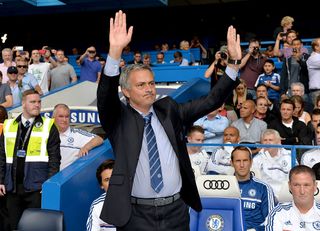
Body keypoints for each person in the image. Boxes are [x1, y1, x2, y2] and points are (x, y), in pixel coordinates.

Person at [97, 10, 241, 230]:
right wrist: (115, 53)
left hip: (176, 211)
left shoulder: (169, 110)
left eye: (151, 83)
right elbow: (106, 96)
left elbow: (211, 100)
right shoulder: (118, 118)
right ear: (126, 91)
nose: (149, 89)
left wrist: (232, 64)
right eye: (141, 85)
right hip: (135, 215)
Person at [0, 90, 61, 230]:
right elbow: (2, 155)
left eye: (39, 102)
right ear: (23, 104)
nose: (37, 105)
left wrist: (49, 184)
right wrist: (1, 180)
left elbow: (54, 158)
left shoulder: (49, 125)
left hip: (36, 188)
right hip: (12, 187)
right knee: (13, 226)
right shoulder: (9, 125)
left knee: (35, 227)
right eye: (32, 102)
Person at [231, 146, 276, 231]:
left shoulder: (264, 188)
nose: (242, 165)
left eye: (245, 160)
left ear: (251, 162)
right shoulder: (224, 186)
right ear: (232, 163)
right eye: (238, 161)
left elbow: (271, 220)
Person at [265, 165, 320, 230]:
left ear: (315, 186)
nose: (302, 191)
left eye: (306, 185)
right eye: (297, 185)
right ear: (290, 186)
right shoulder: (277, 213)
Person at [52, 103, 104, 170]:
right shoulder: (47, 134)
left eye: (67, 116)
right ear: (53, 117)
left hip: (67, 178)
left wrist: (86, 147)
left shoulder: (77, 134)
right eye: (61, 116)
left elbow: (99, 139)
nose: (64, 120)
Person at [252, 129, 296, 197]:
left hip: (287, 195)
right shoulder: (256, 159)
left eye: (270, 140)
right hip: (265, 196)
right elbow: (255, 181)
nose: (267, 143)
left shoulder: (290, 156)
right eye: (265, 140)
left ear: (278, 142)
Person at [86, 159, 116, 231]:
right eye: (107, 179)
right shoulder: (97, 205)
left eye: (114, 177)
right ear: (101, 185)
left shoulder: (135, 200)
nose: (112, 182)